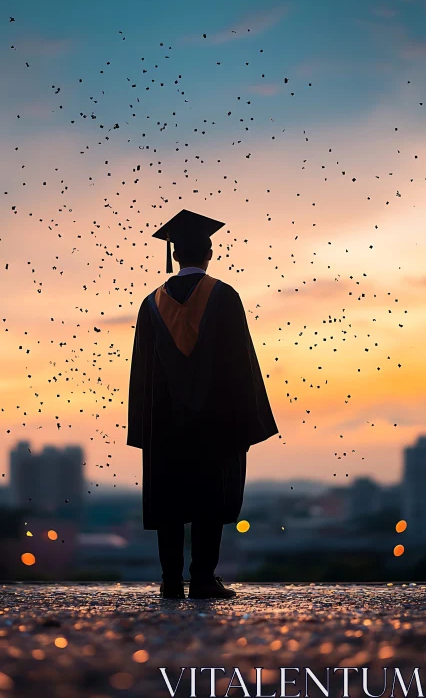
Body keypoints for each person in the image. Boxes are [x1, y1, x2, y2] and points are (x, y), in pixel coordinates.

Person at [127, 209, 279, 599]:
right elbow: (241, 364)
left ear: (175, 256)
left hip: (164, 424)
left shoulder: (149, 305)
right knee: (210, 498)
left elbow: (141, 375)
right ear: (209, 253)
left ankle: (171, 581)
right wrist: (246, 420)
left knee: (170, 502)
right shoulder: (225, 297)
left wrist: (143, 427)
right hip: (216, 422)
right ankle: (203, 580)